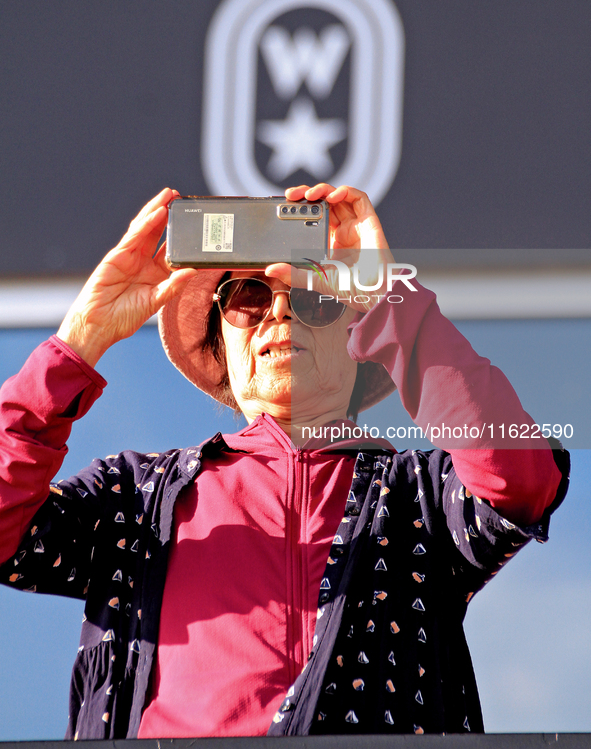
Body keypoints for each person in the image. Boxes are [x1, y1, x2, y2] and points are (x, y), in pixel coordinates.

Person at [0, 184, 568, 739]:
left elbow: (522, 478)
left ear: (360, 334)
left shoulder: (422, 494)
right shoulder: (135, 495)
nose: (279, 312)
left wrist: (393, 297)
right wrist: (77, 343)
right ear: (222, 346)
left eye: (314, 297)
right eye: (247, 297)